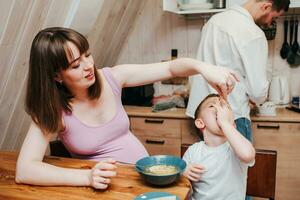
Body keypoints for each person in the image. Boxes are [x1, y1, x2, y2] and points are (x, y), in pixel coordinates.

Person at [15, 27, 239, 189]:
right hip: (110, 189)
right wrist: (86, 177)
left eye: (88, 55)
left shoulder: (112, 77)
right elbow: (25, 170)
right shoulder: (52, 109)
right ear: (56, 76)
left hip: (144, 180)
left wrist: (203, 67)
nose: (88, 66)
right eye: (76, 65)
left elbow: (171, 69)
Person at [187, 0, 290, 143]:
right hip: (231, 116)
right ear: (266, 6)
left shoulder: (213, 22)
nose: (269, 23)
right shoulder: (253, 33)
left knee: (205, 163)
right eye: (274, 17)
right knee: (237, 164)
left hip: (200, 116)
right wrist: (256, 98)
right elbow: (258, 91)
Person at [183, 94, 255, 200]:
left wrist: (225, 123)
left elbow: (248, 154)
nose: (220, 107)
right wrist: (183, 173)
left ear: (233, 125)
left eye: (226, 107)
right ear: (200, 123)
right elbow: (181, 185)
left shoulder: (235, 148)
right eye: (212, 105)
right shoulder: (193, 151)